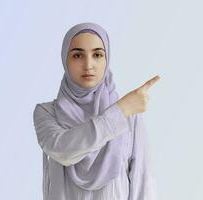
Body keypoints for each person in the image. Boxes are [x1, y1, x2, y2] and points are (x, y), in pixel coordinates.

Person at [32, 22, 160, 200]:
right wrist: (120, 111)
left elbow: (143, 184)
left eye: (98, 54)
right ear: (65, 59)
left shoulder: (131, 115)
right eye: (77, 55)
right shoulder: (47, 113)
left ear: (107, 59)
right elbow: (63, 150)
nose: (88, 65)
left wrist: (124, 111)